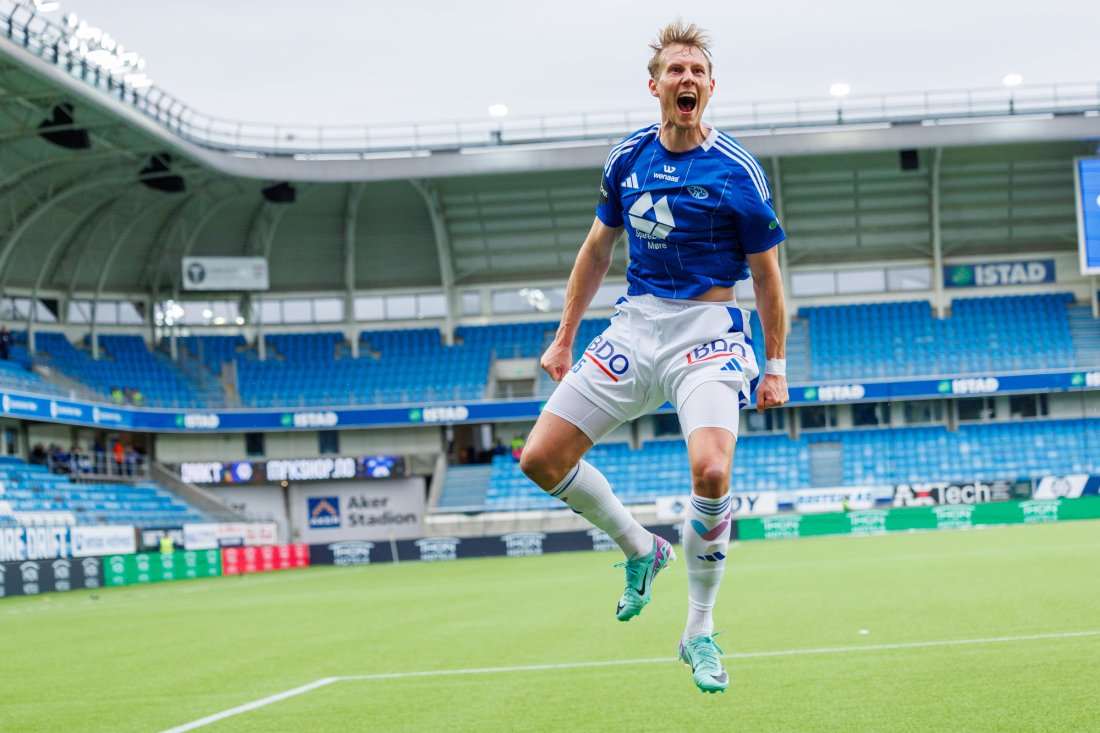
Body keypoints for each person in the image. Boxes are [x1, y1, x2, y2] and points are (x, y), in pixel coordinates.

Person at [519, 20, 789, 694]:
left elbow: (768, 276)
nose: (687, 80)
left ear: (710, 86)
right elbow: (597, 250)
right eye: (675, 71)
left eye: (697, 71)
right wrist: (563, 334)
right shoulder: (626, 160)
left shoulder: (737, 169)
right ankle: (641, 547)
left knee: (712, 469)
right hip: (636, 326)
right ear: (655, 86)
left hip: (708, 331)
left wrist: (776, 364)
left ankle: (698, 629)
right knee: (540, 459)